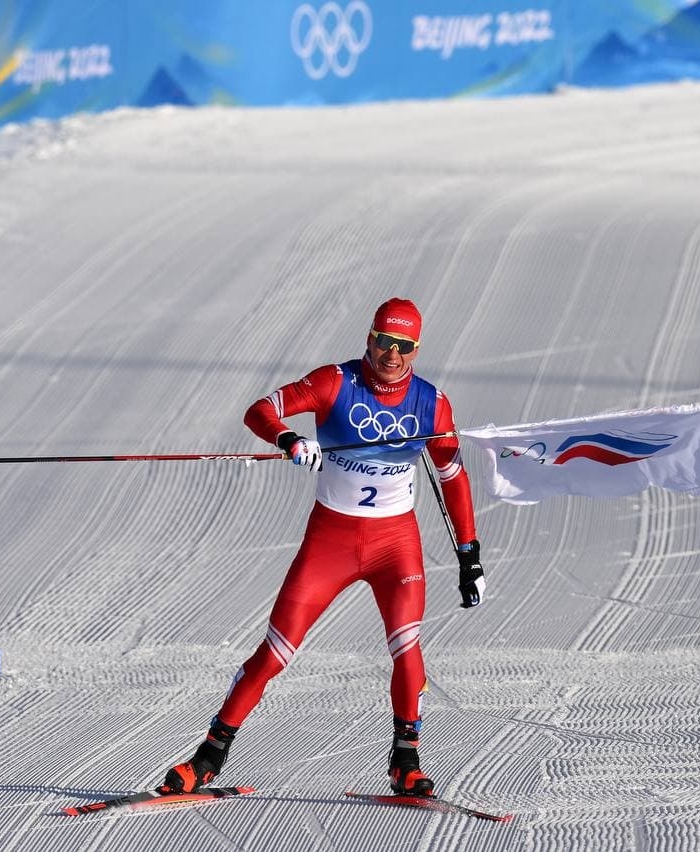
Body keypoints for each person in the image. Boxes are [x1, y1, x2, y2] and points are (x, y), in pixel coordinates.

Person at [160, 297, 485, 798]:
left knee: (406, 647)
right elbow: (260, 410)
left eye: (404, 346)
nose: (391, 355)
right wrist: (288, 438)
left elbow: (451, 475)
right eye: (384, 342)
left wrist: (470, 556)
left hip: (394, 544)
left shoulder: (431, 403)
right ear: (369, 338)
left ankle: (406, 760)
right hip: (331, 541)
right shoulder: (336, 382)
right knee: (274, 652)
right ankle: (209, 756)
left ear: (416, 349)